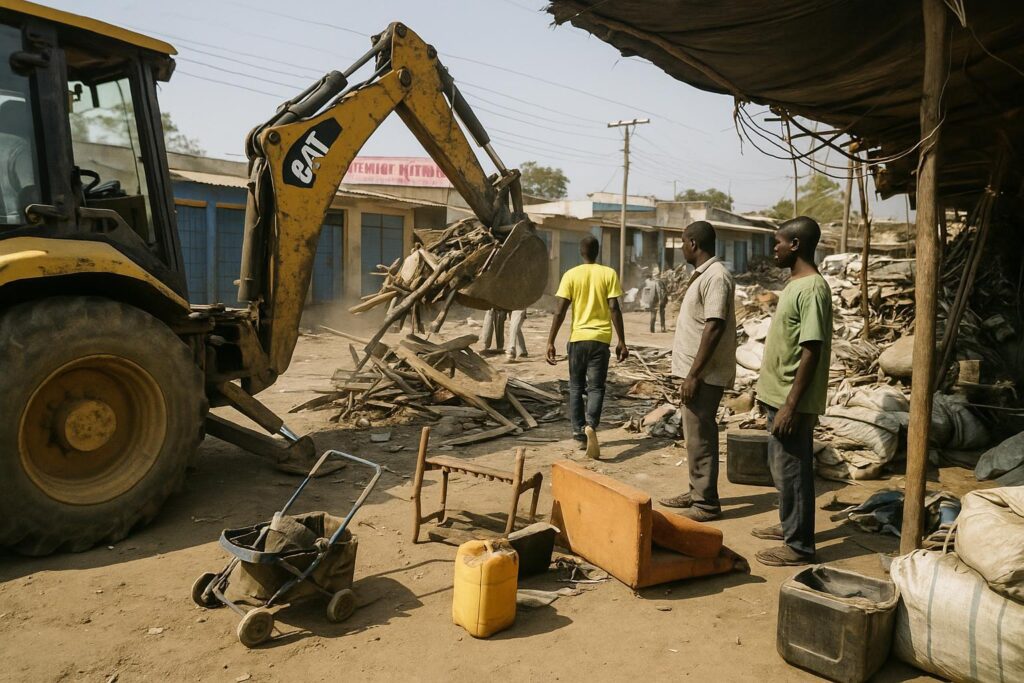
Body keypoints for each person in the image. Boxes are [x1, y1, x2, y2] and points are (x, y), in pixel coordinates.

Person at [752, 216, 833, 567]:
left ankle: (799, 545)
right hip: (778, 395)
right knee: (781, 467)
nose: (775, 249)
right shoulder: (795, 284)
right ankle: (790, 526)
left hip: (792, 400)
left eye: (778, 243)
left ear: (795, 245)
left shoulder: (812, 288)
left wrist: (790, 405)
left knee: (794, 471)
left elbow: (811, 348)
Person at [659, 221, 736, 521]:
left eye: (681, 241)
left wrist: (694, 375)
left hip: (703, 375)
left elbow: (714, 326)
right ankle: (697, 492)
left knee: (701, 435)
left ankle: (705, 503)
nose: (680, 247)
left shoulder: (716, 276)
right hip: (697, 372)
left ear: (693, 243)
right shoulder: (705, 275)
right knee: (694, 436)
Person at [546, 235, 629, 458]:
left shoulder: (571, 275)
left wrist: (550, 341)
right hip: (600, 340)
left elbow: (560, 310)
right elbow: (614, 308)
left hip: (578, 340)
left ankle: (578, 434)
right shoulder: (608, 273)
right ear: (597, 251)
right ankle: (591, 424)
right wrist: (622, 340)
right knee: (596, 388)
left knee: (575, 387)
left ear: (580, 252)